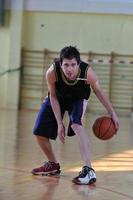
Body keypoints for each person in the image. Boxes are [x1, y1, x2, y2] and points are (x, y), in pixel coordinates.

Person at [32, 46, 119, 185]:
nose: (69, 69)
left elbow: (99, 92)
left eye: (73, 64)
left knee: (76, 124)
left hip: (78, 98)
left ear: (78, 64)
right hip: (58, 98)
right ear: (61, 64)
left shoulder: (88, 73)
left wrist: (112, 113)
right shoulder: (52, 72)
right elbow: (53, 96)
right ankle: (53, 164)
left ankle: (88, 170)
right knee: (38, 131)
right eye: (66, 65)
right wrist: (59, 123)